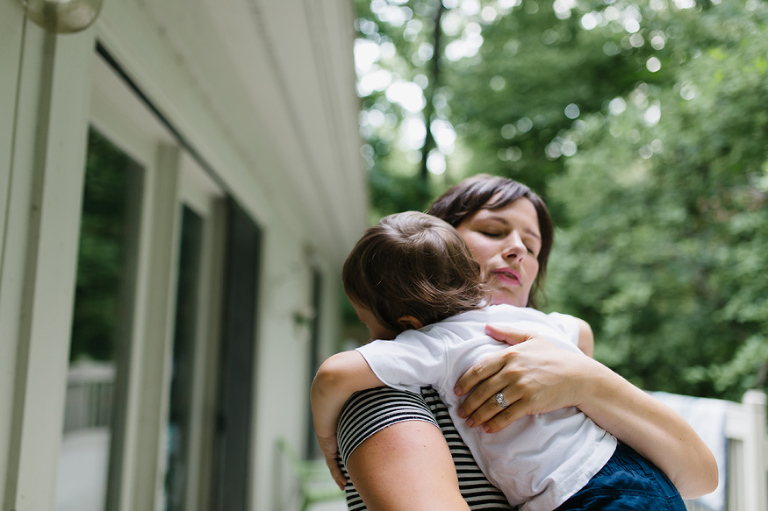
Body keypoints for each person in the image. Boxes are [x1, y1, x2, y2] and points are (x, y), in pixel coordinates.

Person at [325, 174, 718, 510]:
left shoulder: (560, 362)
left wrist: (584, 381)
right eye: (493, 232)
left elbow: (700, 477)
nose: (517, 250)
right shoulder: (383, 387)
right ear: (432, 246)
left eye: (532, 248)